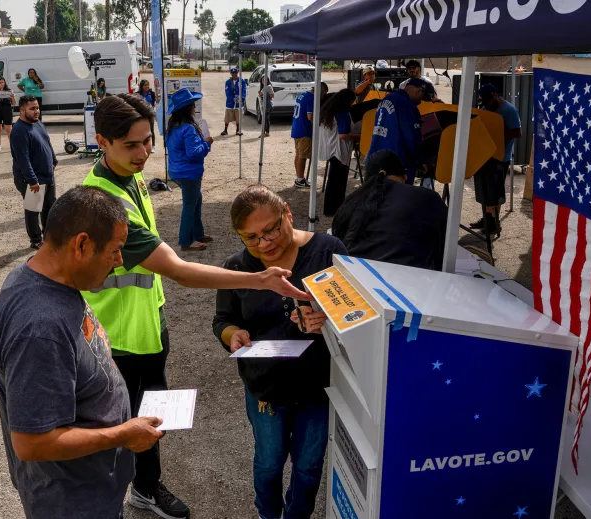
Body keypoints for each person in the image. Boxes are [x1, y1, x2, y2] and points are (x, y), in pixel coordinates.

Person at [82, 93, 312, 519]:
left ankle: (145, 485)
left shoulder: (128, 178)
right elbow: (180, 271)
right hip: (120, 339)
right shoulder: (104, 201)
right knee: (130, 425)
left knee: (152, 417)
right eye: (131, 145)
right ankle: (132, 493)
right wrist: (259, 278)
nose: (143, 152)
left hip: (146, 325)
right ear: (102, 141)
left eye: (148, 141)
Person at [0, 186, 165, 519]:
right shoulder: (40, 328)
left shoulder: (45, 277)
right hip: (73, 503)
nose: (119, 261)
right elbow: (32, 442)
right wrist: (122, 435)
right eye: (115, 250)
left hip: (88, 489)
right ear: (81, 244)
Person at [212, 184, 347, 519]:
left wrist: (326, 320)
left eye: (271, 230)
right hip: (266, 388)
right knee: (269, 463)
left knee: (308, 466)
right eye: (251, 238)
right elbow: (222, 319)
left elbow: (356, 312)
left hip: (319, 386)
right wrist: (233, 334)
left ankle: (297, 514)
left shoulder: (328, 251)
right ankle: (268, 514)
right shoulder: (238, 267)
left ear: (288, 212)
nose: (264, 243)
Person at [333, 150, 448, 270]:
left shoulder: (354, 200)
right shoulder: (427, 197)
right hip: (402, 279)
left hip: (350, 273)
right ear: (403, 176)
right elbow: (445, 244)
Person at [165, 87, 213, 252]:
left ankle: (197, 234)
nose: (195, 107)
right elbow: (194, 154)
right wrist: (207, 143)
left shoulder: (173, 126)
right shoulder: (188, 128)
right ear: (188, 109)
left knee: (196, 201)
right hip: (189, 174)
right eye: (193, 104)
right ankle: (186, 241)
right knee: (189, 206)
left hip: (177, 172)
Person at [470, 83, 522, 236]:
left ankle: (494, 223)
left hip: (500, 157)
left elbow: (517, 133)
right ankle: (486, 219)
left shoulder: (509, 110)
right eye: (483, 101)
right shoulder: (487, 108)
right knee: (484, 191)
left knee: (495, 192)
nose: (485, 104)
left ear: (495, 96)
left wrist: (497, 133)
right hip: (485, 155)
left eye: (487, 100)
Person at [366, 77, 435, 184]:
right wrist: (422, 160)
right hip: (397, 162)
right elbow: (412, 138)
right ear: (418, 91)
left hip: (376, 157)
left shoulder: (388, 98)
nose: (420, 102)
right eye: (422, 98)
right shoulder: (407, 105)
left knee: (376, 196)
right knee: (398, 197)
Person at [10, 95, 58, 249]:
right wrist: (32, 180)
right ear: (22, 110)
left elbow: (47, 142)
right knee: (33, 209)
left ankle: (49, 235)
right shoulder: (18, 131)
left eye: (37, 107)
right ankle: (36, 239)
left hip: (47, 175)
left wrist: (54, 160)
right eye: (32, 108)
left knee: (49, 207)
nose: (36, 111)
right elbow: (22, 159)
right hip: (32, 179)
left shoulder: (37, 123)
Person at [318, 88, 360, 215]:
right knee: (338, 182)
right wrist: (360, 136)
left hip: (329, 148)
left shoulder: (328, 109)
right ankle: (334, 209)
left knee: (333, 179)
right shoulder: (343, 113)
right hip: (339, 149)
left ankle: (331, 208)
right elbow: (343, 135)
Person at [291, 82, 329, 188]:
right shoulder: (312, 98)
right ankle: (300, 180)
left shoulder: (303, 94)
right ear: (320, 91)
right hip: (304, 130)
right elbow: (310, 116)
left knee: (298, 154)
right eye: (324, 93)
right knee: (302, 156)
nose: (324, 96)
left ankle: (299, 178)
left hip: (297, 127)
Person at [222, 67, 246, 136]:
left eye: (235, 73)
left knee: (238, 117)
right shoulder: (228, 82)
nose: (234, 74)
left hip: (239, 103)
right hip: (230, 103)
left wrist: (241, 98)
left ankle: (238, 130)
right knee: (227, 117)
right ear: (230, 73)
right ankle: (225, 130)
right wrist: (232, 99)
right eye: (233, 73)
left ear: (237, 73)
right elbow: (227, 92)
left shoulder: (242, 81)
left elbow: (244, 90)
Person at [137, 79, 158, 149]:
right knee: (141, 130)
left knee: (151, 130)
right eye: (145, 85)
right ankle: (142, 145)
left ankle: (153, 146)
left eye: (148, 85)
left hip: (150, 115)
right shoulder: (138, 94)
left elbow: (155, 103)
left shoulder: (152, 93)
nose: (147, 86)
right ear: (142, 86)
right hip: (141, 115)